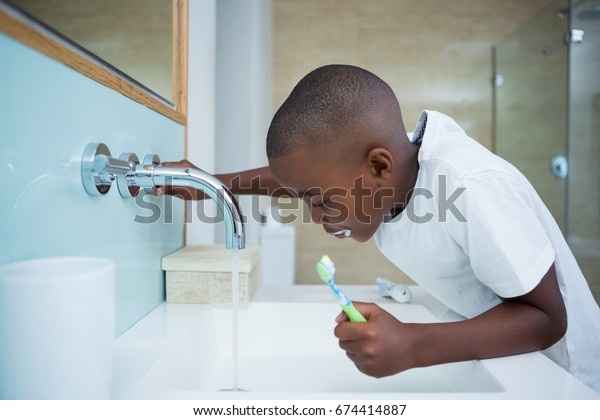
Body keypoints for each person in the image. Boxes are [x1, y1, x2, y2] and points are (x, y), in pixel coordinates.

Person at [161, 64, 600, 392]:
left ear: (377, 167)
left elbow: (547, 318)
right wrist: (217, 185)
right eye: (309, 199)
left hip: (561, 377)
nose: (314, 214)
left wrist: (412, 345)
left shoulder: (468, 187)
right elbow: (301, 179)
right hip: (504, 359)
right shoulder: (389, 172)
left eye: (320, 201)